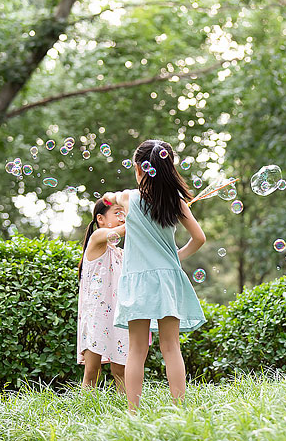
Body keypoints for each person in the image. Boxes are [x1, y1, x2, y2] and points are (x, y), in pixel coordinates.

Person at [102, 139, 206, 412]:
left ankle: (133, 413)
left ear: (139, 168)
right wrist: (177, 256)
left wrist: (110, 197)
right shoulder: (176, 202)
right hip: (167, 279)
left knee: (137, 350)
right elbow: (199, 238)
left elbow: (109, 198)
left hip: (137, 279)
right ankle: (180, 409)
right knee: (171, 347)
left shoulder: (128, 198)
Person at [76, 198, 130, 393]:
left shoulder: (120, 253)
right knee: (92, 370)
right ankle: (85, 409)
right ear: (100, 218)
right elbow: (122, 231)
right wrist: (139, 215)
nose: (122, 217)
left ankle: (125, 413)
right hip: (96, 316)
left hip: (117, 316)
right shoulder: (98, 238)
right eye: (117, 213)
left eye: (124, 213)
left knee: (121, 370)